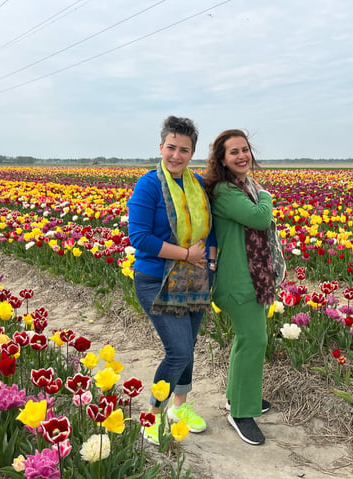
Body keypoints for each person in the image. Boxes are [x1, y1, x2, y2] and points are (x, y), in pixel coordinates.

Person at [127, 115, 216, 445]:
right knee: (178, 351)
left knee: (188, 348)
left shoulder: (198, 186)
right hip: (155, 278)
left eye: (184, 150)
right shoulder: (149, 184)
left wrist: (210, 264)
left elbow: (212, 228)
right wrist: (185, 255)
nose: (176, 155)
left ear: (192, 153)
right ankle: (153, 416)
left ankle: (180, 408)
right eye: (171, 148)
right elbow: (139, 236)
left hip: (195, 277)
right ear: (161, 147)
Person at [203, 129, 284, 446]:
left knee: (246, 340)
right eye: (233, 151)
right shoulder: (225, 192)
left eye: (245, 149)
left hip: (255, 277)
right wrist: (266, 195)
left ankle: (238, 398)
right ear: (221, 159)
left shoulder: (243, 185)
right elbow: (259, 218)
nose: (241, 156)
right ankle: (241, 413)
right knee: (254, 340)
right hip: (238, 281)